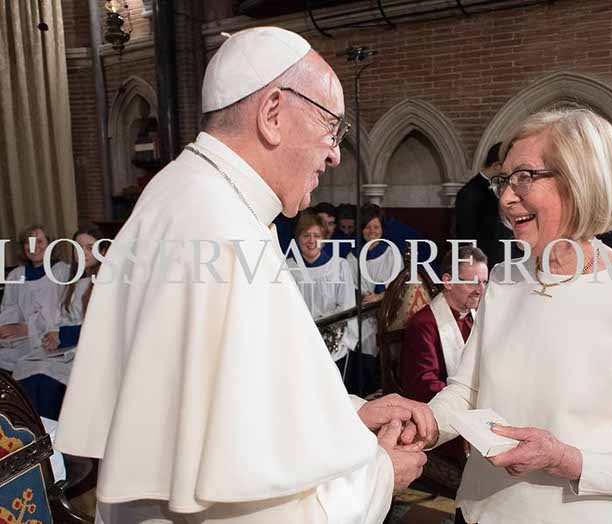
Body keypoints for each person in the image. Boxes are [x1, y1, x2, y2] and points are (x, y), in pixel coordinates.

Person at [56, 27, 435, 524]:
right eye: (331, 127)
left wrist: (350, 412)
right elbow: (251, 504)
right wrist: (380, 474)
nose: (335, 153)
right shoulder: (221, 229)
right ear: (273, 113)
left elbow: (236, 399)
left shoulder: (184, 194)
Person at [426, 108, 612, 524]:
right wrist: (424, 424)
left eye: (524, 178)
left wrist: (563, 459)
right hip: (476, 511)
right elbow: (466, 390)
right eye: (503, 181)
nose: (505, 198)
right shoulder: (504, 278)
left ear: (580, 181)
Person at [401, 246, 487, 463]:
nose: (480, 290)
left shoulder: (475, 316)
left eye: (484, 282)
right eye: (472, 282)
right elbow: (422, 383)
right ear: (448, 281)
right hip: (440, 416)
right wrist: (474, 399)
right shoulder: (424, 324)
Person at [13, 227, 103, 419]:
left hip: (89, 349)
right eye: (78, 247)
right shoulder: (75, 281)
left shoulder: (103, 282)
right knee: (29, 379)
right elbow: (63, 317)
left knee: (47, 383)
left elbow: (100, 327)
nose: (83, 253)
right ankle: (32, 431)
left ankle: (51, 433)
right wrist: (54, 335)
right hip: (68, 346)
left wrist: (61, 335)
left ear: (102, 251)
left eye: (90, 248)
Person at [287, 214, 357, 374]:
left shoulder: (339, 266)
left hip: (332, 344)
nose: (311, 241)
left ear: (324, 239)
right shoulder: (288, 268)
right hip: (299, 342)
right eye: (306, 235)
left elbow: (347, 305)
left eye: (316, 235)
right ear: (298, 239)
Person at [347, 204, 404, 395]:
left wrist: (379, 297)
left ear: (382, 229)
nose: (371, 231)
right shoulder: (352, 257)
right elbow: (350, 287)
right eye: (367, 227)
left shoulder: (391, 254)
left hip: (386, 312)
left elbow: (399, 286)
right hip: (362, 313)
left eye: (376, 227)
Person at [0, 225, 69, 374]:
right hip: (21, 341)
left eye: (39, 241)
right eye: (28, 242)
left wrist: (30, 329)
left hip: (51, 341)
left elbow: (64, 312)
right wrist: (7, 328)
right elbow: (9, 309)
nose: (33, 246)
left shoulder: (63, 272)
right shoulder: (15, 275)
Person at [455, 142, 520, 269]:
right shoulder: (470, 193)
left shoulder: (498, 186)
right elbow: (466, 235)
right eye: (507, 167)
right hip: (486, 261)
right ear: (496, 166)